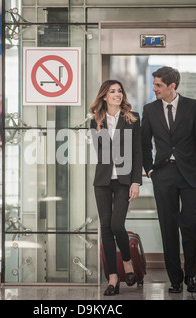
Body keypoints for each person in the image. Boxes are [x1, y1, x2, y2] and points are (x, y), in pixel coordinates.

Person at [141, 66, 196, 293]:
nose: (154, 89)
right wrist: (150, 171)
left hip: (191, 175)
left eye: (158, 85)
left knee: (190, 224)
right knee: (168, 227)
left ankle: (191, 276)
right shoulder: (150, 110)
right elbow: (145, 144)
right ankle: (175, 279)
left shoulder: (193, 107)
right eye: (154, 84)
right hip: (163, 175)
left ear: (171, 86)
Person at [89, 80, 142, 296]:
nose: (117, 94)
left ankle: (127, 263)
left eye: (120, 91)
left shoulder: (132, 118)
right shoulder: (96, 121)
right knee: (106, 228)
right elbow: (100, 153)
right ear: (104, 96)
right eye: (112, 91)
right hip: (102, 181)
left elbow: (137, 152)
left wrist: (136, 182)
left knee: (117, 225)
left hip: (123, 180)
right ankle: (112, 278)